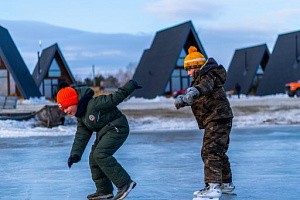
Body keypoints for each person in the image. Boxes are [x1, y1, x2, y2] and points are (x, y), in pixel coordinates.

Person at [56, 80, 142, 200]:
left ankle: (125, 183)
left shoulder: (94, 104)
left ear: (74, 101)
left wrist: (131, 85)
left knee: (100, 154)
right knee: (93, 159)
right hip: (105, 132)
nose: (66, 111)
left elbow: (115, 98)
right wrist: (75, 154)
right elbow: (81, 135)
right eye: (63, 110)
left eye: (66, 107)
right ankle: (104, 190)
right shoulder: (81, 116)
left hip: (117, 128)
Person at [174, 46, 235, 199]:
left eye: (189, 69)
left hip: (217, 118)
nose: (188, 73)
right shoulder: (202, 77)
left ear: (196, 66)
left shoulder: (208, 75)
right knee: (219, 151)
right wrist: (183, 101)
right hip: (219, 118)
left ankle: (213, 186)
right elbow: (199, 95)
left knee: (209, 151)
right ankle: (226, 184)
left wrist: (193, 91)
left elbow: (204, 88)